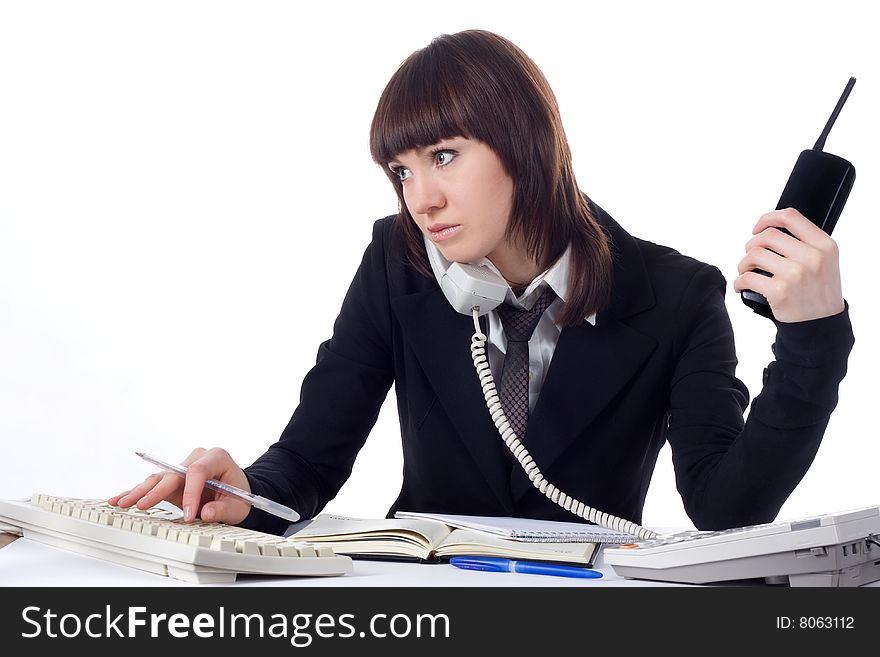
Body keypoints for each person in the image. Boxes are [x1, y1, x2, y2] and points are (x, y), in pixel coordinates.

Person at [110, 29, 854, 535]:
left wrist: (813, 339)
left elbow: (727, 511)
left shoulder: (678, 296)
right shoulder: (396, 260)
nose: (419, 199)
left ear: (525, 146)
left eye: (443, 156)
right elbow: (309, 459)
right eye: (400, 170)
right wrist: (241, 490)